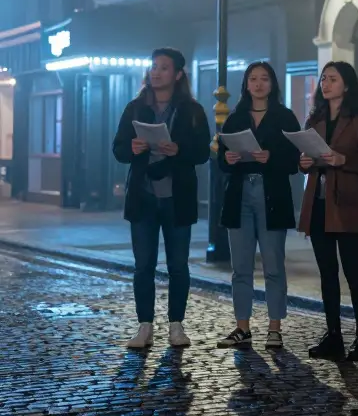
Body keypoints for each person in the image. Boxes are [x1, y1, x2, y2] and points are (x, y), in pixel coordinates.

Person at [111, 48, 211, 349]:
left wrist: (179, 150)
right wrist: (133, 147)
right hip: (143, 197)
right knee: (143, 265)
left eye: (164, 68)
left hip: (177, 196)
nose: (156, 72)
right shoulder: (135, 107)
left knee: (178, 265)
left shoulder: (192, 110)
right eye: (153, 67)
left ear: (178, 74)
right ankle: (144, 326)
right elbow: (118, 149)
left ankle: (176, 326)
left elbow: (203, 152)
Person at [296, 61, 358, 362]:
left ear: (347, 85)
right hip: (318, 204)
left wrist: (343, 159)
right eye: (323, 79)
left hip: (346, 204)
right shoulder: (315, 117)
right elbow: (304, 155)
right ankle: (333, 336)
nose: (325, 83)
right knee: (327, 273)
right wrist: (303, 162)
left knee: (353, 271)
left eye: (333, 79)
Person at [216, 62, 302, 350]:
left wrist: (271, 158)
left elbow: (295, 162)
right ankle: (242, 326)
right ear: (246, 84)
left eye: (264, 78)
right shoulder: (235, 117)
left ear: (273, 83)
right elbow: (221, 158)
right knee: (240, 266)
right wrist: (227, 159)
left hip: (271, 193)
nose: (258, 84)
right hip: (239, 193)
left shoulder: (285, 117)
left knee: (273, 264)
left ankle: (275, 327)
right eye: (253, 79)